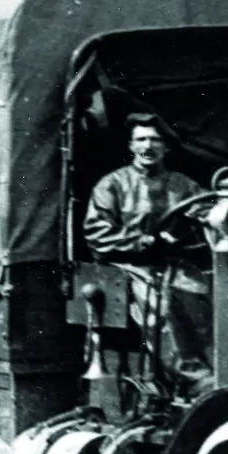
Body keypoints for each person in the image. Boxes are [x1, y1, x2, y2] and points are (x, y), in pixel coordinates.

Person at [81, 113, 212, 397]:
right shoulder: (112, 185)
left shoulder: (183, 185)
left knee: (203, 296)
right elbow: (97, 236)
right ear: (131, 146)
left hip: (175, 264)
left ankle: (217, 373)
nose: (148, 146)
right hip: (130, 267)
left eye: (155, 140)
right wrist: (145, 241)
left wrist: (215, 215)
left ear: (166, 147)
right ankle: (192, 379)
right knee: (162, 306)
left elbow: (205, 210)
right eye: (141, 139)